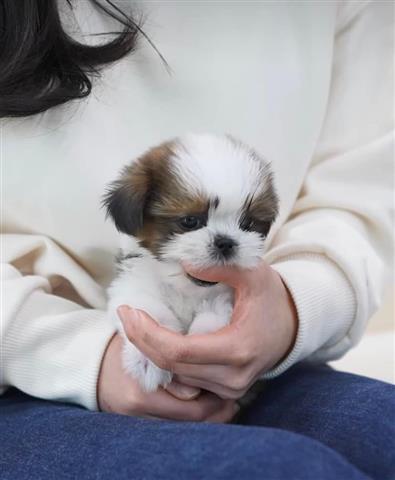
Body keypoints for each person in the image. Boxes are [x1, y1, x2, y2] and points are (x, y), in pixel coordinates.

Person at [1, 1, 394, 479]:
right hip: (18, 373)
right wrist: (77, 353)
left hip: (258, 368)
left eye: (250, 225)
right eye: (190, 224)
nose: (224, 242)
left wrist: (293, 308)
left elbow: (362, 194)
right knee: (280, 470)